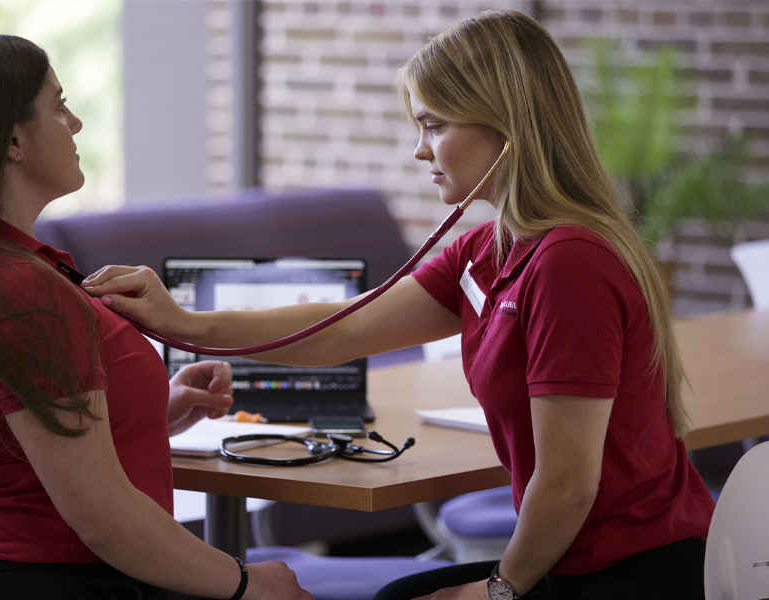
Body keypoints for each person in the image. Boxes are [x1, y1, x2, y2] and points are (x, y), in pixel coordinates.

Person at [83, 10, 716, 600]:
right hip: (574, 556)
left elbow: (568, 484)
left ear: (508, 128)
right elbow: (342, 330)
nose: (420, 151)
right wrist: (186, 324)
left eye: (434, 125)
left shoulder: (570, 263)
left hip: (634, 569)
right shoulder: (486, 250)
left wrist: (495, 590)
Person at [0, 35, 313, 600]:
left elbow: (16, 448)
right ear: (13, 140)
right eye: (59, 105)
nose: (77, 122)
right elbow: (106, 524)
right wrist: (244, 581)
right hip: (75, 583)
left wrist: (154, 410)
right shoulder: (21, 289)